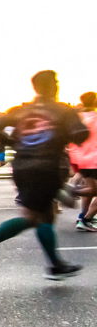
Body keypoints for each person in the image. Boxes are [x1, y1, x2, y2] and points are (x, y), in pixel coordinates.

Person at [0, 70, 89, 281]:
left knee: (44, 215)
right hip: (47, 167)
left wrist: (12, 141)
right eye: (56, 82)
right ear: (53, 86)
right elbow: (80, 135)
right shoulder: (62, 110)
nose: (58, 85)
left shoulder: (22, 110)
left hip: (22, 166)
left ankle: (55, 264)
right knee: (34, 217)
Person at [66, 92, 97, 231]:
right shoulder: (95, 118)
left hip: (81, 159)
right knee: (91, 190)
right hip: (94, 158)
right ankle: (86, 218)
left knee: (90, 190)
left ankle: (82, 217)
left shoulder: (78, 118)